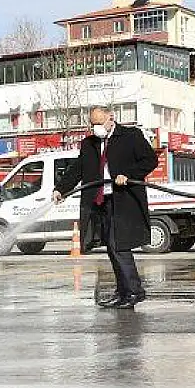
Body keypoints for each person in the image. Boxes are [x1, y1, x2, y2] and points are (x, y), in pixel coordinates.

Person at [52, 106, 158, 309]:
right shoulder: (89, 144)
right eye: (93, 124)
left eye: (99, 123)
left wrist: (129, 174)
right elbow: (77, 170)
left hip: (124, 200)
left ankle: (135, 291)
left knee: (119, 246)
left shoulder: (130, 136)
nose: (96, 128)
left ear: (111, 118)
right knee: (111, 248)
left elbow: (150, 160)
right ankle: (123, 292)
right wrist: (61, 189)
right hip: (101, 202)